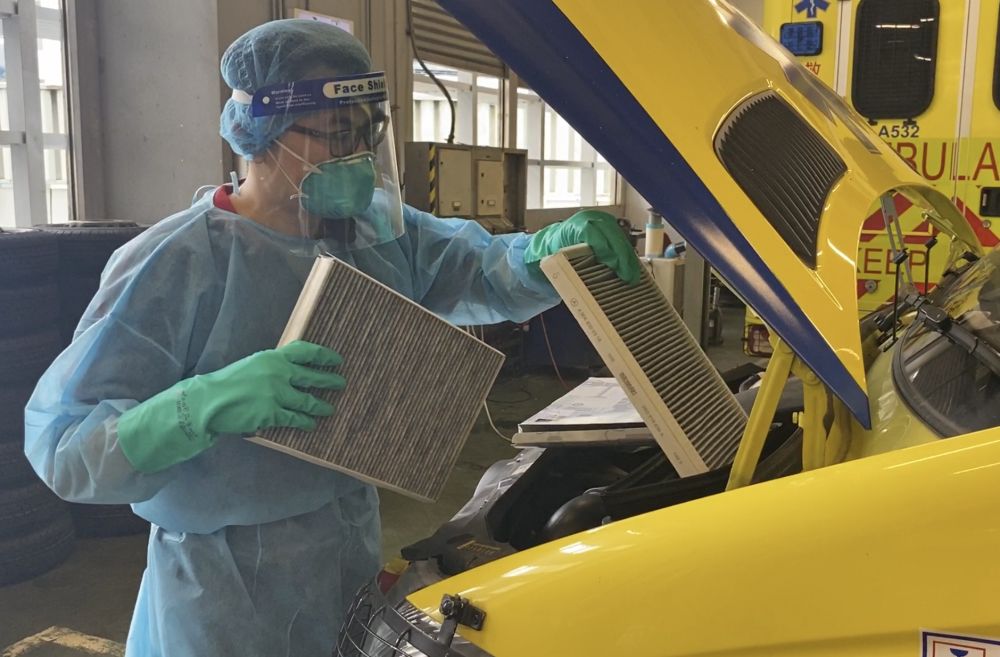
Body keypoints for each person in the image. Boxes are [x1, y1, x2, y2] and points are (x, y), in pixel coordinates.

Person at [23, 18, 640, 657]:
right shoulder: (176, 261)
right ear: (263, 132)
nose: (358, 154)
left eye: (367, 132)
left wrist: (547, 254)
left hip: (346, 557)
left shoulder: (373, 233)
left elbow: (481, 268)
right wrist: (201, 403)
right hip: (223, 591)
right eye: (337, 133)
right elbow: (68, 449)